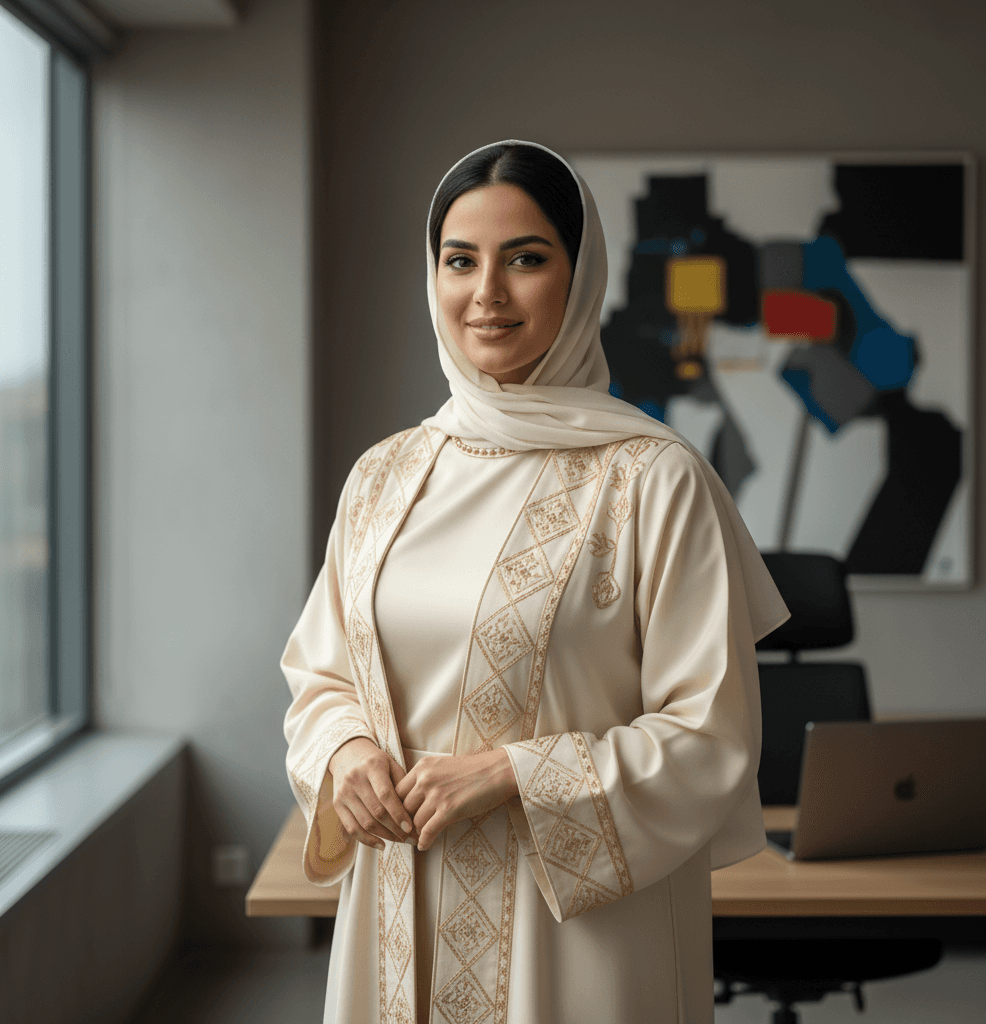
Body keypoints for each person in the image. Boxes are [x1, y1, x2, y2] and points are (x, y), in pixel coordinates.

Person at [281, 140, 789, 1024]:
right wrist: (345, 752)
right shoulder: (384, 476)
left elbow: (711, 733)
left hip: (583, 939)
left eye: (525, 259)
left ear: (581, 276)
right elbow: (322, 678)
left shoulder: (653, 479)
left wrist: (516, 773)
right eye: (459, 261)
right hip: (400, 907)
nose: (487, 294)